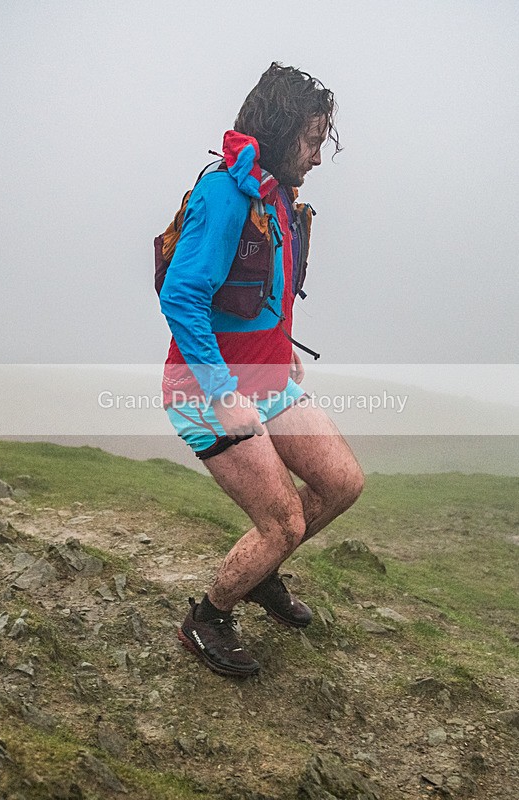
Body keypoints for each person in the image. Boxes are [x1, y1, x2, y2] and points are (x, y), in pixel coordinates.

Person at [158, 62, 364, 677]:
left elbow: (257, 291)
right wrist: (222, 392)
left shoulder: (274, 194)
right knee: (282, 521)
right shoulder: (225, 193)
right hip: (203, 389)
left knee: (343, 484)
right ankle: (209, 617)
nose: (318, 157)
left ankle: (260, 574)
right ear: (278, 132)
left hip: (268, 379)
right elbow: (183, 296)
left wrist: (282, 344)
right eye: (310, 140)